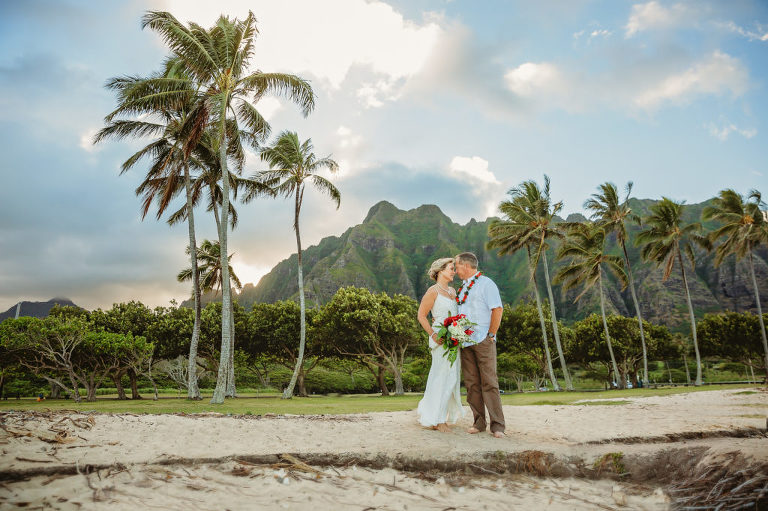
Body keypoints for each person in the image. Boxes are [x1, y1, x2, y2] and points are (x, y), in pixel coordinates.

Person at [454, 252, 505, 438]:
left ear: (466, 266)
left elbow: (497, 309)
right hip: (465, 341)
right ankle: (479, 422)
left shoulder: (486, 284)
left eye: (456, 266)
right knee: (472, 383)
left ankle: (498, 426)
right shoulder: (462, 288)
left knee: (489, 382)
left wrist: (491, 335)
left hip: (484, 340)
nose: (455, 269)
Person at [416, 257, 464, 432]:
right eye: (451, 268)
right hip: (440, 340)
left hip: (453, 338)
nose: (454, 271)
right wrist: (434, 334)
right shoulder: (432, 291)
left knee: (452, 377)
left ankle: (438, 414)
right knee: (441, 377)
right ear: (440, 270)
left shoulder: (452, 291)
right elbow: (421, 315)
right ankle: (437, 419)